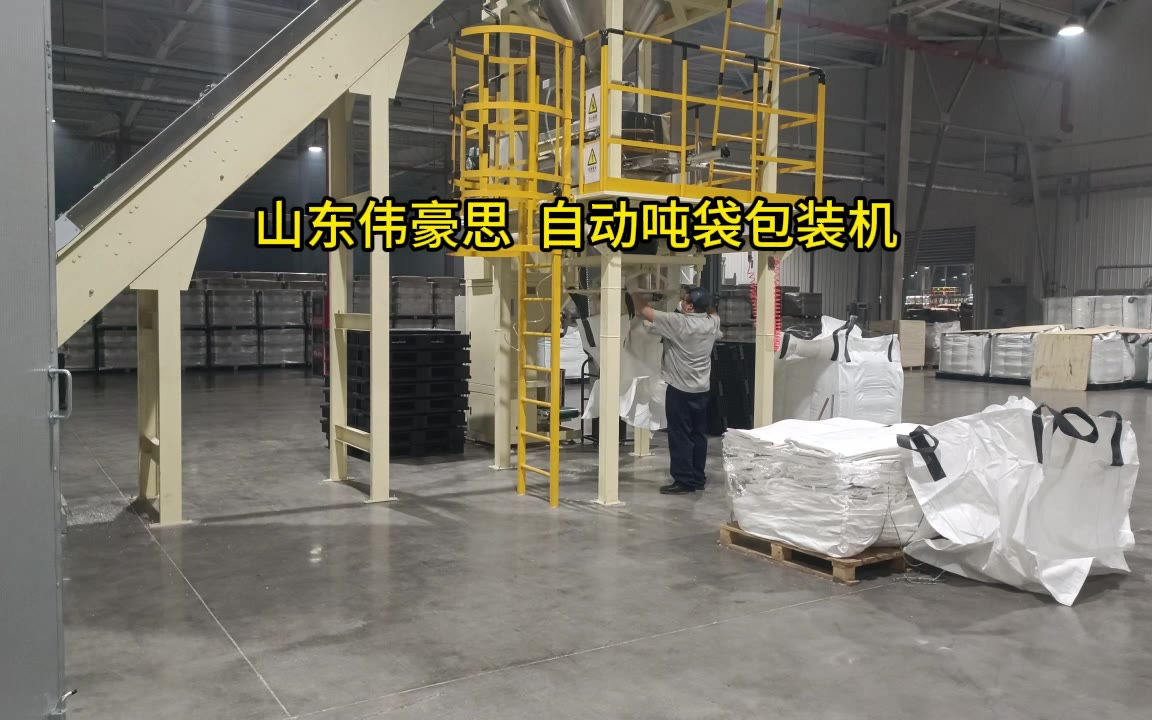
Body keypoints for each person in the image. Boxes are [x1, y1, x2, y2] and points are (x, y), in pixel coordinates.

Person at [630, 286, 722, 495]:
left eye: (684, 299)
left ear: (689, 306)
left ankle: (684, 481)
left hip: (680, 390)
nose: (681, 301)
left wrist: (632, 290)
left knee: (680, 435)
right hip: (702, 389)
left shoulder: (678, 323)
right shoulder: (712, 323)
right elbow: (713, 312)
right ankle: (697, 478)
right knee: (698, 435)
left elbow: (644, 311)